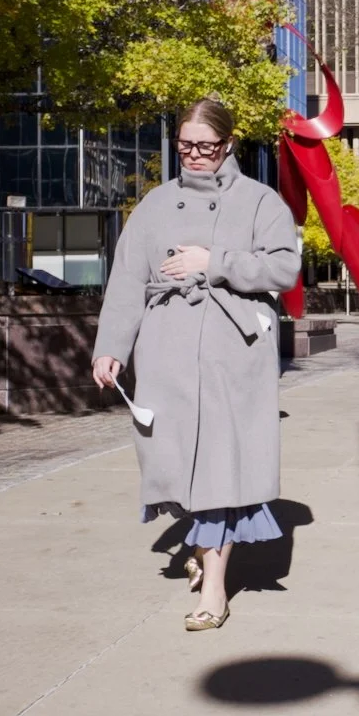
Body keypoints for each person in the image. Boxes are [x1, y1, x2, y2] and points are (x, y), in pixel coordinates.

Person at [91, 98, 300, 631]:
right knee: (174, 463)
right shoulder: (156, 205)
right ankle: (200, 541)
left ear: (228, 144)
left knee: (219, 470)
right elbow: (127, 281)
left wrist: (215, 263)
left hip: (233, 353)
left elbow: (285, 268)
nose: (195, 156)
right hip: (165, 354)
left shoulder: (260, 200)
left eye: (206, 146)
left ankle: (214, 588)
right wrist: (111, 346)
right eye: (185, 145)